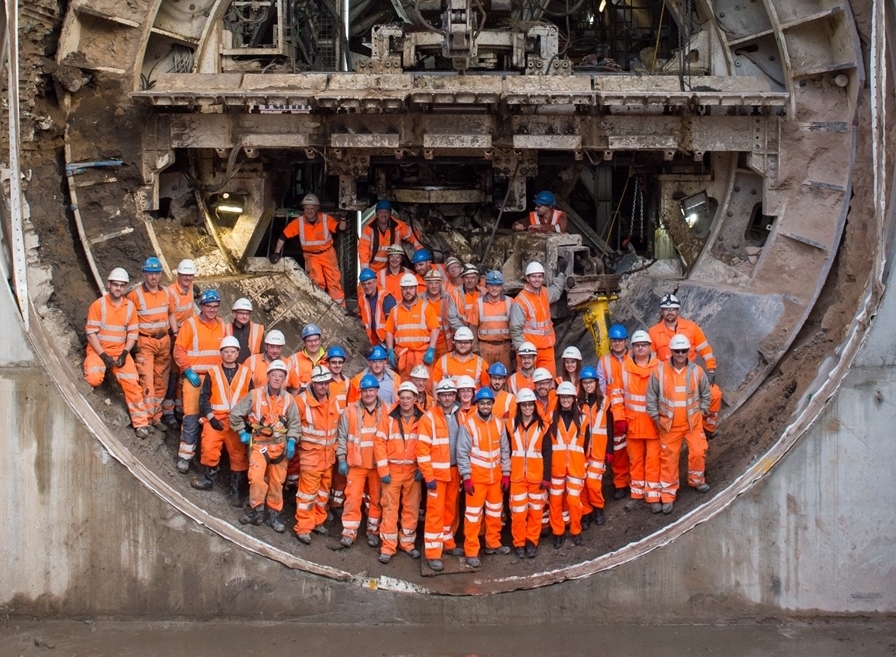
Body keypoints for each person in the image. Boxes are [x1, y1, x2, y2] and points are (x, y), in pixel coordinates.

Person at [230, 359, 300, 534]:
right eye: (274, 375)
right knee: (256, 478)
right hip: (259, 445)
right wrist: (241, 432)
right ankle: (256, 511)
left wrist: (292, 440)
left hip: (279, 448)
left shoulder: (289, 400)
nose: (277, 378)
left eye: (280, 376)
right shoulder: (254, 395)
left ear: (284, 379)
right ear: (268, 376)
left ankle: (274, 515)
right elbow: (236, 414)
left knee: (277, 483)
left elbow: (295, 424)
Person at [645, 334, 711, 515]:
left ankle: (697, 480)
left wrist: (702, 411)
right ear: (671, 351)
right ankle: (668, 495)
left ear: (689, 351)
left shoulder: (697, 371)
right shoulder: (659, 372)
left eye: (684, 351)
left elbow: (706, 393)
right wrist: (657, 419)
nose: (681, 354)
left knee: (698, 451)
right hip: (669, 425)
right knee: (669, 460)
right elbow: (651, 398)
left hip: (692, 423)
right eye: (677, 351)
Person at [84, 267, 151, 439]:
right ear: (108, 284)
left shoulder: (129, 308)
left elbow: (133, 333)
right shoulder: (98, 305)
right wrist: (103, 355)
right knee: (93, 377)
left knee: (133, 384)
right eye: (115, 285)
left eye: (122, 285)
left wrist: (124, 353)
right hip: (99, 351)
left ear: (125, 287)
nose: (118, 288)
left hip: (120, 351)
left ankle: (141, 423)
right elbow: (91, 334)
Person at [648, 293, 723, 435]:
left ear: (678, 310)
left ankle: (708, 429)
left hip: (690, 375)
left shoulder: (691, 328)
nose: (670, 312)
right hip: (667, 379)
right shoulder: (653, 332)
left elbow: (705, 349)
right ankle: (667, 430)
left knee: (715, 394)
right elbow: (651, 361)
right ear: (662, 311)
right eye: (666, 309)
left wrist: (711, 369)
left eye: (673, 309)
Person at [192, 336, 251, 507]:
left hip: (237, 423)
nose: (229, 354)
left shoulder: (247, 374)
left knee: (239, 455)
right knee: (209, 447)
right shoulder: (213, 372)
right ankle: (208, 479)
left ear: (238, 353)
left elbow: (252, 399)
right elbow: (204, 398)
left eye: (232, 351)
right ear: (221, 353)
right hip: (216, 420)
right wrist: (211, 418)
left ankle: (236, 492)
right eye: (226, 351)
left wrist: (246, 424)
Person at [456, 387, 511, 568]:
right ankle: (471, 551)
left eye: (488, 403)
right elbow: (462, 453)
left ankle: (493, 543)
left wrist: (505, 474)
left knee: (495, 513)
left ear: (492, 404)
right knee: (472, 517)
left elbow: (504, 450)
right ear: (477, 404)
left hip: (495, 479)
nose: (485, 406)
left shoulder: (498, 424)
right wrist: (466, 478)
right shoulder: (469, 425)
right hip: (476, 480)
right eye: (482, 403)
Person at [173, 289, 225, 473]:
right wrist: (187, 370)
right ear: (201, 306)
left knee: (212, 418)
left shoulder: (223, 326)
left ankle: (208, 460)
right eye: (209, 306)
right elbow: (179, 350)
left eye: (215, 307)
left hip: (215, 379)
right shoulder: (191, 325)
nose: (212, 310)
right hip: (194, 377)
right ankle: (185, 457)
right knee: (192, 417)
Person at [417, 378, 464, 572]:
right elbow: (422, 451)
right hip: (436, 474)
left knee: (450, 510)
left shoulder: (460, 415)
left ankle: (448, 542)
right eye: (443, 394)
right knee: (435, 514)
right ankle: (433, 553)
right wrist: (429, 477)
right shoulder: (428, 418)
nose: (447, 398)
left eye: (450, 394)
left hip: (454, 471)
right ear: (439, 396)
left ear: (455, 395)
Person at [375, 381, 425, 563]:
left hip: (413, 471)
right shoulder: (388, 418)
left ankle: (408, 544)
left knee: (411, 509)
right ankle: (388, 547)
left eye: (408, 398)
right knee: (389, 508)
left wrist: (422, 468)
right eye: (402, 398)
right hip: (393, 471)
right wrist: (383, 470)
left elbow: (428, 445)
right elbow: (379, 443)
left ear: (415, 399)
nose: (405, 401)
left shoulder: (423, 419)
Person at [336, 373, 386, 548]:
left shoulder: (385, 410)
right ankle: (349, 532)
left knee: (376, 499)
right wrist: (341, 458)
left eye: (371, 390)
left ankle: (373, 531)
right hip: (356, 464)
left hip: (376, 465)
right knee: (352, 498)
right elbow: (341, 436)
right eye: (365, 391)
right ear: (360, 392)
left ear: (377, 391)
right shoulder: (350, 410)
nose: (368, 394)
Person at [270, 193, 347, 307]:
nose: (309, 211)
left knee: (334, 281)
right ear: (303, 209)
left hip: (327, 254)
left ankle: (340, 309)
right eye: (306, 208)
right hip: (311, 257)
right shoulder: (299, 222)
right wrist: (276, 253)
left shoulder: (325, 219)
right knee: (317, 282)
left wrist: (343, 219)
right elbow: (283, 236)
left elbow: (340, 229)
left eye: (312, 208)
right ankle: (318, 307)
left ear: (317, 208)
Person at [294, 365, 342, 544]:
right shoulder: (302, 401)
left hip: (328, 457)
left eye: (326, 383)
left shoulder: (334, 401)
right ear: (313, 383)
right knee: (307, 495)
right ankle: (303, 527)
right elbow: (293, 425)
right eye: (320, 383)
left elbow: (339, 428)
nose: (323, 386)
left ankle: (318, 521)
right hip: (310, 457)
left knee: (323, 494)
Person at [127, 257, 174, 431]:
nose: (153, 277)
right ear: (144, 274)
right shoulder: (135, 295)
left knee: (161, 380)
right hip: (145, 340)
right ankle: (146, 417)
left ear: (160, 274)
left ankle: (156, 417)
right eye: (150, 273)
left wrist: (174, 333)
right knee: (147, 380)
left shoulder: (167, 293)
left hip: (164, 340)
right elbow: (129, 320)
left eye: (156, 273)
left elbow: (171, 314)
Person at [619, 330, 662, 512]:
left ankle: (652, 496)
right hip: (633, 423)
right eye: (637, 345)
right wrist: (619, 418)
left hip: (654, 423)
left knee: (654, 460)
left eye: (643, 345)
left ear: (649, 346)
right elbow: (616, 394)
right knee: (635, 460)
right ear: (633, 347)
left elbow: (666, 395)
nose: (640, 348)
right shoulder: (624, 368)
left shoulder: (660, 368)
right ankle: (636, 494)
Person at [506, 388, 550, 559]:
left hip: (536, 477)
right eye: (524, 405)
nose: (527, 408)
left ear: (534, 405)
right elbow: (506, 450)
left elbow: (547, 453)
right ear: (519, 406)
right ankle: (519, 543)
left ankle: (532, 542)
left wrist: (546, 478)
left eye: (530, 405)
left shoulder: (543, 426)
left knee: (536, 512)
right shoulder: (510, 425)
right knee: (518, 513)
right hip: (516, 477)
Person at [547, 381, 589, 548]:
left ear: (573, 398)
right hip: (556, 468)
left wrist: (584, 464)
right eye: (562, 397)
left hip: (576, 468)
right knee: (555, 502)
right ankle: (558, 533)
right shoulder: (551, 418)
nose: (565, 400)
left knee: (573, 501)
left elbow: (588, 444)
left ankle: (575, 530)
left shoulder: (583, 419)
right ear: (559, 398)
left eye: (568, 397)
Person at [509, 261, 566, 375]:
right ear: (527, 278)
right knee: (527, 386)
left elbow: (556, 291)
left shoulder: (544, 293)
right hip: (529, 352)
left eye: (540, 276)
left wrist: (561, 275)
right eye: (534, 276)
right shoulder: (520, 301)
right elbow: (516, 330)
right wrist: (524, 353)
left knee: (549, 383)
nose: (537, 279)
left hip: (547, 350)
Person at [162, 258, 198, 429]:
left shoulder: (190, 288)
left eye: (191, 276)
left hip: (185, 334)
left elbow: (189, 311)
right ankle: (167, 411)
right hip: (174, 335)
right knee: (171, 374)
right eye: (185, 275)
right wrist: (176, 334)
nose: (188, 279)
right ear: (179, 274)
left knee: (181, 373)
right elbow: (170, 315)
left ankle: (179, 407)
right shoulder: (170, 292)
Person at [597, 323, 631, 500]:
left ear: (626, 341)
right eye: (614, 340)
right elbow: (601, 389)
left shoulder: (634, 357)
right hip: (613, 411)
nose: (617, 343)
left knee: (636, 447)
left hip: (634, 407)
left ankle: (636, 481)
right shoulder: (604, 361)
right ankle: (620, 483)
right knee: (618, 448)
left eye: (620, 340)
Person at [385, 273, 439, 378]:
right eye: (405, 288)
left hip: (422, 356)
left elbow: (435, 329)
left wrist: (431, 349)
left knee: (424, 386)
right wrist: (390, 350)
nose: (408, 291)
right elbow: (389, 332)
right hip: (403, 356)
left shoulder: (426, 307)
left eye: (410, 288)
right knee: (406, 386)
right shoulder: (395, 310)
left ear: (416, 288)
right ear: (401, 290)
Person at [358, 199, 421, 271]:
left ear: (390, 214)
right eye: (381, 212)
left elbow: (415, 236)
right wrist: (366, 271)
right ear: (377, 214)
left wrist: (420, 256)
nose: (383, 215)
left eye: (386, 212)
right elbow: (363, 250)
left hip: (392, 268)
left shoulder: (398, 227)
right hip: (373, 270)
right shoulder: (368, 229)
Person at [468, 270, 513, 369]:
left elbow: (516, 326)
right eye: (491, 285)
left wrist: (514, 348)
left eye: (497, 285)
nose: (494, 288)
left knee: (505, 376)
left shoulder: (510, 302)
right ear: (486, 286)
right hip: (485, 347)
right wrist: (475, 348)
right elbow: (473, 327)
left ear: (502, 286)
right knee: (484, 375)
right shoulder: (478, 303)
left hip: (505, 347)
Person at [430, 326, 488, 394]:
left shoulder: (481, 363)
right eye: (459, 342)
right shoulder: (443, 361)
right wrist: (437, 402)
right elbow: (435, 383)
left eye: (466, 342)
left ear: (472, 343)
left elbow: (486, 388)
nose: (463, 345)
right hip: (448, 402)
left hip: (473, 402)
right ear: (454, 342)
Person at [358, 268, 396, 347]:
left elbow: (393, 324)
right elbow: (362, 315)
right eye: (364, 284)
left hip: (387, 341)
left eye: (369, 283)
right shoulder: (362, 299)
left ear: (375, 282)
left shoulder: (386, 298)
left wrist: (390, 346)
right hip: (372, 341)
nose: (367, 286)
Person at [420, 269, 453, 359]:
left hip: (444, 342)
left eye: (436, 283)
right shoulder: (420, 299)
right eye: (430, 283)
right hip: (425, 343)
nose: (433, 286)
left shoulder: (448, 298)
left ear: (441, 283)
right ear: (426, 284)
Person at [224, 298, 263, 364]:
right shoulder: (225, 328)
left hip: (251, 370)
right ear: (234, 313)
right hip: (231, 368)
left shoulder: (258, 330)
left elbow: (263, 354)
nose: (245, 316)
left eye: (247, 314)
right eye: (241, 313)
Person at [288, 323, 327, 391]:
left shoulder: (329, 359)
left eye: (316, 340)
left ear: (320, 340)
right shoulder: (293, 360)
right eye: (309, 341)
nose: (313, 343)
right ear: (304, 342)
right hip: (299, 400)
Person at [447, 264, 484, 331]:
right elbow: (451, 318)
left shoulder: (484, 292)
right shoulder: (454, 294)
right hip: (463, 334)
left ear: (477, 279)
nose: (470, 280)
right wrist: (467, 331)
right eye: (467, 277)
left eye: (472, 277)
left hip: (482, 332)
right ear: (463, 279)